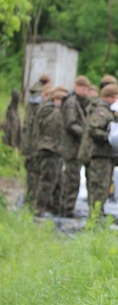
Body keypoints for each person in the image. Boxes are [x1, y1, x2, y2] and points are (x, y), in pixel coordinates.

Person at [78, 83, 118, 213]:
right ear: (111, 97)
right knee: (98, 187)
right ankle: (95, 217)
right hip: (100, 155)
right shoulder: (101, 111)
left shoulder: (107, 111)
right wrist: (109, 137)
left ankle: (97, 215)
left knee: (103, 187)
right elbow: (93, 129)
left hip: (105, 155)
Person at [59, 75, 91, 217]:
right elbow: (70, 124)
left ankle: (67, 207)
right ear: (76, 86)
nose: (86, 92)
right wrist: (85, 134)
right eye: (84, 89)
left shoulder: (79, 102)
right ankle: (66, 208)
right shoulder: (72, 103)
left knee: (73, 178)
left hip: (75, 147)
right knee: (72, 180)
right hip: (71, 147)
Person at [32, 88, 66, 216]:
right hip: (51, 150)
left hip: (49, 149)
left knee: (56, 181)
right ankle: (39, 210)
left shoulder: (45, 110)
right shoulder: (54, 113)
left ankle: (52, 210)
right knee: (47, 181)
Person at [23, 74, 50, 209]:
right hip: (34, 143)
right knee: (34, 174)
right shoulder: (39, 103)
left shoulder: (32, 99)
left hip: (29, 142)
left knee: (32, 174)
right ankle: (31, 202)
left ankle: (30, 200)